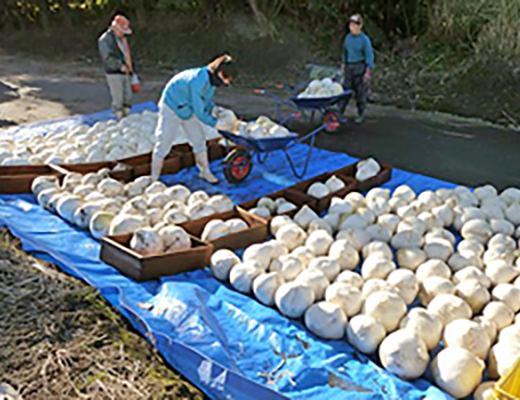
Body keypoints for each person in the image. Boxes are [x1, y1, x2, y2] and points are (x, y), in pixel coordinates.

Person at [151, 55, 237, 183]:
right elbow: (199, 111)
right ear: (219, 72)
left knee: (199, 140)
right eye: (226, 78)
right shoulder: (198, 80)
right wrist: (216, 124)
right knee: (164, 141)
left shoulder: (211, 82)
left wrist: (214, 110)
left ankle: (205, 172)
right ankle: (154, 178)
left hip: (187, 107)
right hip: (172, 106)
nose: (226, 82)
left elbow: (206, 101)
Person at [98, 15, 136, 119]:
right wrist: (119, 65)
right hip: (114, 73)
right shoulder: (105, 40)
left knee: (128, 95)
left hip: (126, 71)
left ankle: (127, 114)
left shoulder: (122, 40)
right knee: (118, 97)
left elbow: (126, 54)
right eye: (122, 30)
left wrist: (131, 70)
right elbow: (107, 58)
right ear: (115, 28)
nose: (123, 33)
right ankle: (118, 117)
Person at [341, 14, 374, 124]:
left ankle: (360, 113)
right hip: (349, 67)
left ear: (360, 26)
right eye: (351, 25)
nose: (353, 27)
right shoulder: (347, 38)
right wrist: (343, 65)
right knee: (345, 91)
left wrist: (368, 72)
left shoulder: (364, 40)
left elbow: (369, 56)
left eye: (356, 25)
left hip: (360, 67)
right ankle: (339, 113)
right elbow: (344, 52)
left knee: (360, 93)